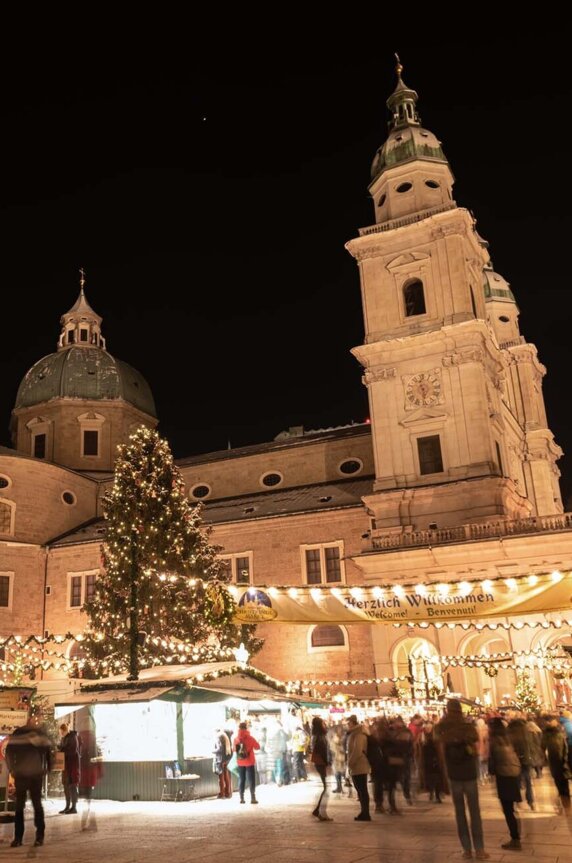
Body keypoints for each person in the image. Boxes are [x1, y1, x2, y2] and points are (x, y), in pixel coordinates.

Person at [435, 699, 489, 860]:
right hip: (469, 772)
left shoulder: (442, 727)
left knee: (460, 812)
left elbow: (436, 740)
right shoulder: (467, 725)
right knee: (475, 812)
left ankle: (466, 849)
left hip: (453, 773)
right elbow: (475, 739)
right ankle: (479, 849)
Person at [5, 714, 52, 848]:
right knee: (34, 805)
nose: (36, 721)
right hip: (33, 775)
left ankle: (19, 838)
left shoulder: (19, 733)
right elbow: (48, 752)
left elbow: (9, 752)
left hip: (23, 775)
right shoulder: (38, 733)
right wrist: (47, 768)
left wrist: (12, 769)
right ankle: (38, 837)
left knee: (22, 806)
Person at [489, 717, 523, 851]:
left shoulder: (494, 742)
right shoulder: (509, 739)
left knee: (508, 811)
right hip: (514, 775)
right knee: (512, 810)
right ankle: (516, 837)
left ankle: (515, 839)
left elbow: (492, 765)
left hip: (503, 777)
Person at [542, 716, 570, 813]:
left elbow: (542, 746)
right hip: (560, 758)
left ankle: (563, 794)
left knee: (558, 777)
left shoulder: (548, 734)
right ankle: (565, 795)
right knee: (562, 777)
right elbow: (564, 745)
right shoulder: (559, 733)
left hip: (554, 759)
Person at [507, 712, 535, 810]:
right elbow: (530, 744)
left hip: (514, 758)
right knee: (527, 780)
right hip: (526, 758)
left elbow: (508, 744)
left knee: (516, 780)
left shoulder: (509, 729)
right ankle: (530, 800)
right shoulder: (525, 729)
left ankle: (517, 801)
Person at [346, 714, 371, 821]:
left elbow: (357, 751)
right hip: (356, 765)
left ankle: (366, 813)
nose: (347, 725)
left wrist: (350, 763)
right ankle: (363, 812)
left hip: (360, 765)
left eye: (348, 723)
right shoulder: (354, 733)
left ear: (352, 723)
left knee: (362, 789)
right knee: (360, 789)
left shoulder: (359, 734)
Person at [310, 716, 332, 821]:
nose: (324, 725)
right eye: (323, 723)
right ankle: (320, 812)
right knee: (325, 788)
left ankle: (318, 810)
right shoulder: (320, 736)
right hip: (321, 762)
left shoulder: (315, 735)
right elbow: (322, 750)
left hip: (319, 762)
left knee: (325, 787)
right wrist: (327, 762)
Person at [58, 722, 81, 814]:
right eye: (60, 733)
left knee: (72, 785)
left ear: (65, 730)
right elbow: (64, 749)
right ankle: (67, 806)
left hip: (73, 766)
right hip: (66, 766)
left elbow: (72, 751)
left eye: (62, 732)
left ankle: (74, 807)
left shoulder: (72, 737)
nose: (61, 734)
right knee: (66, 785)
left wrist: (62, 750)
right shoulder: (64, 738)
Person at [420, 721, 445, 803]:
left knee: (436, 779)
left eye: (429, 728)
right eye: (427, 728)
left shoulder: (435, 739)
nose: (428, 730)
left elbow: (439, 750)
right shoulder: (423, 738)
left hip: (435, 761)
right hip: (427, 762)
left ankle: (437, 795)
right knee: (430, 779)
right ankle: (432, 793)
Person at [235, 721, 260, 804]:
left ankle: (241, 798)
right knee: (251, 780)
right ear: (246, 728)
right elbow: (257, 747)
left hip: (240, 762)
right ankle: (253, 798)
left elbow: (234, 750)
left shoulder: (236, 739)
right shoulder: (250, 738)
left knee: (241, 779)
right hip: (249, 762)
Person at [213, 727, 232, 798]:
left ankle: (222, 793)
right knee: (226, 776)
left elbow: (219, 749)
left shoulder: (218, 737)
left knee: (220, 777)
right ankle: (227, 793)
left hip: (220, 760)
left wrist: (212, 751)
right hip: (226, 759)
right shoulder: (226, 737)